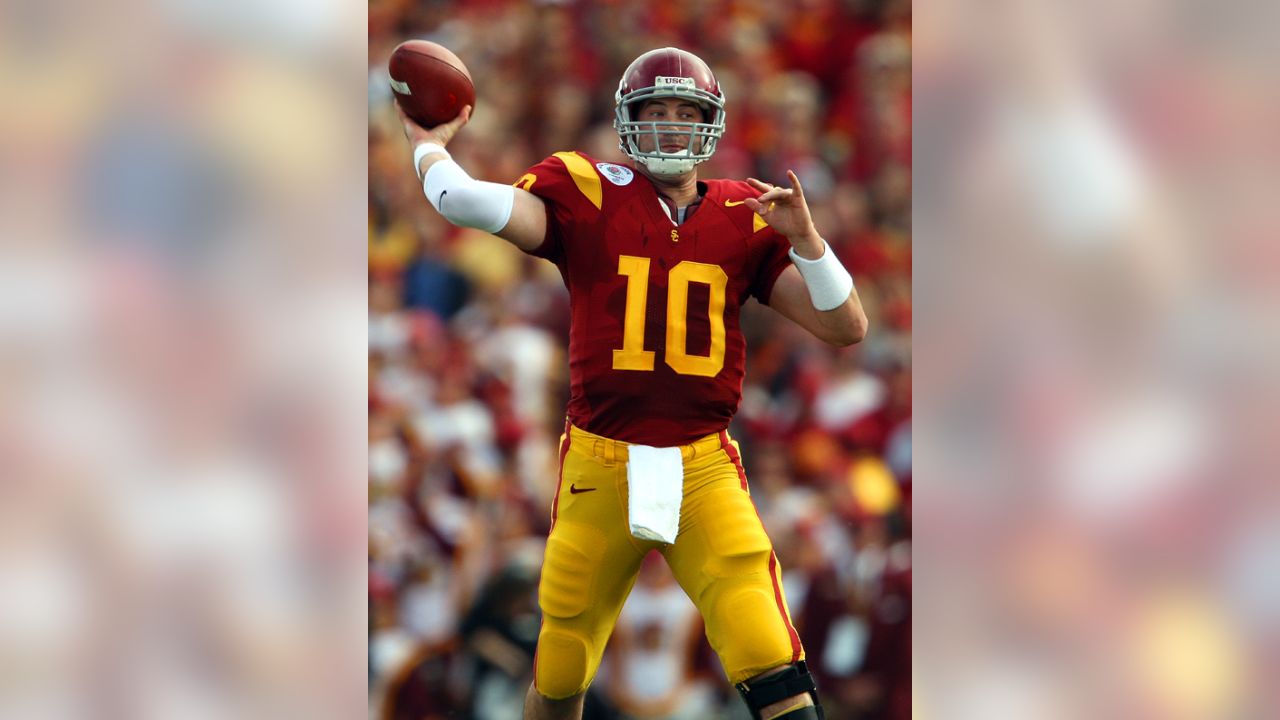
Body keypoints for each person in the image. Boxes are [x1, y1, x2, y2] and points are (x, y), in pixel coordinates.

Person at [396, 46, 867, 720]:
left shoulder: (745, 213)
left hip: (704, 465)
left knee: (770, 655)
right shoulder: (586, 190)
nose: (672, 125)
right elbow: (461, 200)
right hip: (601, 463)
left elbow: (846, 326)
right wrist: (426, 145)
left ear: (711, 122)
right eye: (656, 110)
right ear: (628, 119)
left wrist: (810, 245)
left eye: (685, 111)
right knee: (560, 672)